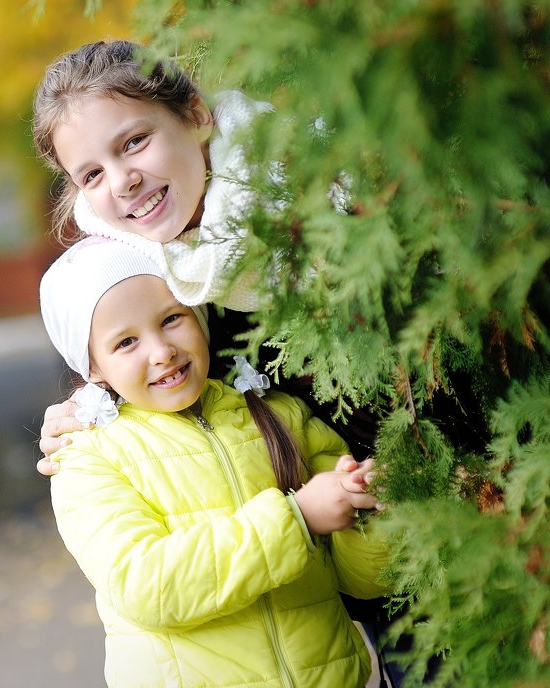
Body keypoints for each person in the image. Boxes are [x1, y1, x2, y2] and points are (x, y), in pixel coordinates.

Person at [39, 235, 389, 688]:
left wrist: (363, 509)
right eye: (126, 342)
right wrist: (297, 521)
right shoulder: (87, 458)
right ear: (93, 368)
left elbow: (366, 580)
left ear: (199, 316)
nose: (161, 350)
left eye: (171, 319)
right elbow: (148, 587)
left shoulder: (280, 416)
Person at [30, 39, 385, 474]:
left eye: (135, 141)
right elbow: (140, 365)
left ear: (197, 117)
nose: (122, 181)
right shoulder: (138, 269)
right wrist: (88, 408)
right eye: (93, 174)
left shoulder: (314, 183)